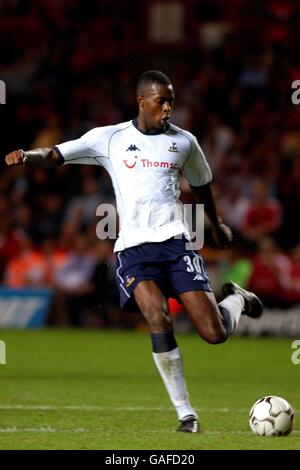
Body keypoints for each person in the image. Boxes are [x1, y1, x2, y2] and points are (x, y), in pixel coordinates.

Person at [5, 70, 263, 433]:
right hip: (133, 250)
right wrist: (26, 156)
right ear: (142, 101)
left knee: (214, 333)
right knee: (158, 317)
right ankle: (185, 413)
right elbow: (55, 154)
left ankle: (235, 299)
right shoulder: (108, 137)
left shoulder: (184, 142)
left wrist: (216, 224)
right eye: (162, 101)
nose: (168, 108)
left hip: (176, 244)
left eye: (171, 100)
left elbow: (203, 185)